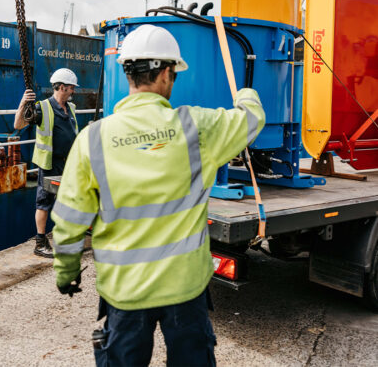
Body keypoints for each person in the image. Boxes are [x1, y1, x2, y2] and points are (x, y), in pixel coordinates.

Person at [51, 24, 266, 366]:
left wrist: (66, 271)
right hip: (184, 289)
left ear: (127, 74)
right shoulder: (197, 127)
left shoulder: (93, 139)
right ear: (167, 73)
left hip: (125, 291)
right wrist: (246, 93)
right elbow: (252, 120)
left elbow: (69, 221)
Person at [14, 68, 79, 258]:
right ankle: (40, 242)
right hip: (50, 165)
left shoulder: (71, 108)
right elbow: (18, 125)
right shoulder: (42, 108)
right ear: (62, 87)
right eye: (71, 88)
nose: (73, 91)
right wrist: (23, 103)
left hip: (68, 165)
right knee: (44, 202)